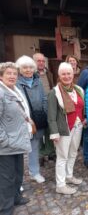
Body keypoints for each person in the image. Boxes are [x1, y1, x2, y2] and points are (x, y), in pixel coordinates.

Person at [48, 62, 85, 194]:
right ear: (59, 75)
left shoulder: (79, 90)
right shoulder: (54, 92)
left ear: (73, 74)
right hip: (63, 128)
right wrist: (54, 133)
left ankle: (69, 176)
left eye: (69, 73)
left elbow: (81, 107)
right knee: (62, 156)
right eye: (63, 74)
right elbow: (51, 115)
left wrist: (83, 119)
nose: (66, 76)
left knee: (73, 152)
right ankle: (60, 184)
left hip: (78, 126)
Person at [0, 62, 32, 214]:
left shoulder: (14, 90)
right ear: (1, 76)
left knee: (18, 173)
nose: (12, 76)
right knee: (7, 178)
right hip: (6, 145)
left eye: (14, 74)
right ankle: (5, 208)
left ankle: (16, 197)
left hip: (17, 141)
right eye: (8, 73)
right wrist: (4, 140)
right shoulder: (1, 92)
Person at [16, 55, 47, 183]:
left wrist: (45, 112)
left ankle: (34, 172)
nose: (28, 70)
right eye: (24, 67)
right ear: (20, 69)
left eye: (30, 67)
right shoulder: (16, 83)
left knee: (34, 145)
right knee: (19, 149)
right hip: (23, 120)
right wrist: (25, 117)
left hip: (37, 119)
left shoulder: (38, 81)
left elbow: (44, 98)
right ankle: (17, 178)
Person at [33, 53, 55, 163]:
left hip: (49, 105)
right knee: (39, 131)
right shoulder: (32, 74)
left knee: (50, 129)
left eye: (43, 61)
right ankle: (40, 154)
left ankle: (50, 151)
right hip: (37, 107)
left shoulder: (49, 73)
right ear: (34, 62)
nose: (41, 63)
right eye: (39, 61)